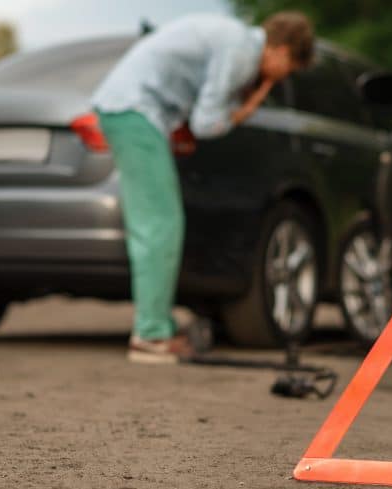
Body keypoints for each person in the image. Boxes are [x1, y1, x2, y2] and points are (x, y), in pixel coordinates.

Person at [92, 11, 315, 364]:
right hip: (135, 111)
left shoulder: (234, 38)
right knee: (160, 224)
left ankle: (157, 325)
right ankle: (150, 336)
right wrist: (244, 110)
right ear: (283, 51)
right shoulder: (242, 51)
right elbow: (206, 122)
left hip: (130, 109)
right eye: (289, 68)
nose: (283, 75)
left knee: (154, 222)